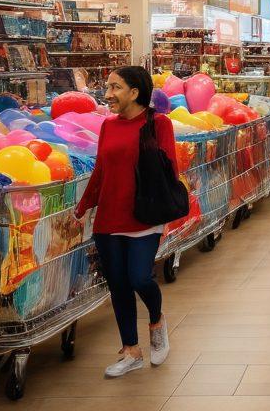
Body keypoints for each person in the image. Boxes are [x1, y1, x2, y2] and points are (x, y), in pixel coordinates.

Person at [75, 67, 175, 378]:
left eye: (115, 87)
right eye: (106, 86)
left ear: (135, 92)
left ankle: (157, 323)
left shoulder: (160, 124)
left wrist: (168, 216)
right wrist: (82, 208)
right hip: (108, 217)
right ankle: (130, 350)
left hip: (144, 216)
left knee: (140, 279)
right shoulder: (108, 126)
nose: (107, 94)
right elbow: (101, 171)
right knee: (118, 285)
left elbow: (169, 171)